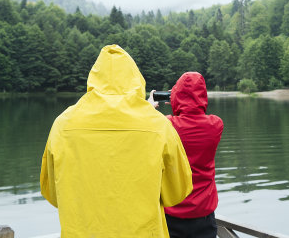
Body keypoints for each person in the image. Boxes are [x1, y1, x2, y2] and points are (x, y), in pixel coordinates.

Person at [40, 44, 193, 238]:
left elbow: (53, 194)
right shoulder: (159, 126)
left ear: (93, 79)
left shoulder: (62, 125)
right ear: (136, 79)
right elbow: (177, 192)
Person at [150, 72, 223, 238]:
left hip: (172, 213)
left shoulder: (165, 125)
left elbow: (149, 123)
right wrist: (179, 100)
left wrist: (153, 105)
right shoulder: (216, 124)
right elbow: (194, 120)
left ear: (176, 96)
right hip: (204, 216)